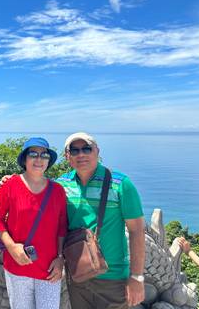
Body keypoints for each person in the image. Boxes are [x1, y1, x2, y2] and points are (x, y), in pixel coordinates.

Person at [57, 132, 145, 309]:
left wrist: (137, 277)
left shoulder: (120, 183)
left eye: (86, 149)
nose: (81, 154)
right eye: (74, 150)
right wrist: (10, 182)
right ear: (67, 156)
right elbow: (36, 194)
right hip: (78, 276)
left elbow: (137, 230)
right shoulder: (61, 185)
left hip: (112, 278)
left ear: (97, 151)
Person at [0, 137, 68, 309]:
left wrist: (60, 259)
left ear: (48, 161)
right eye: (33, 154)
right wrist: (12, 247)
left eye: (44, 155)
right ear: (24, 159)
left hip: (49, 269)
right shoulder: (10, 185)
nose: (39, 159)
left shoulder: (57, 191)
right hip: (17, 266)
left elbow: (62, 228)